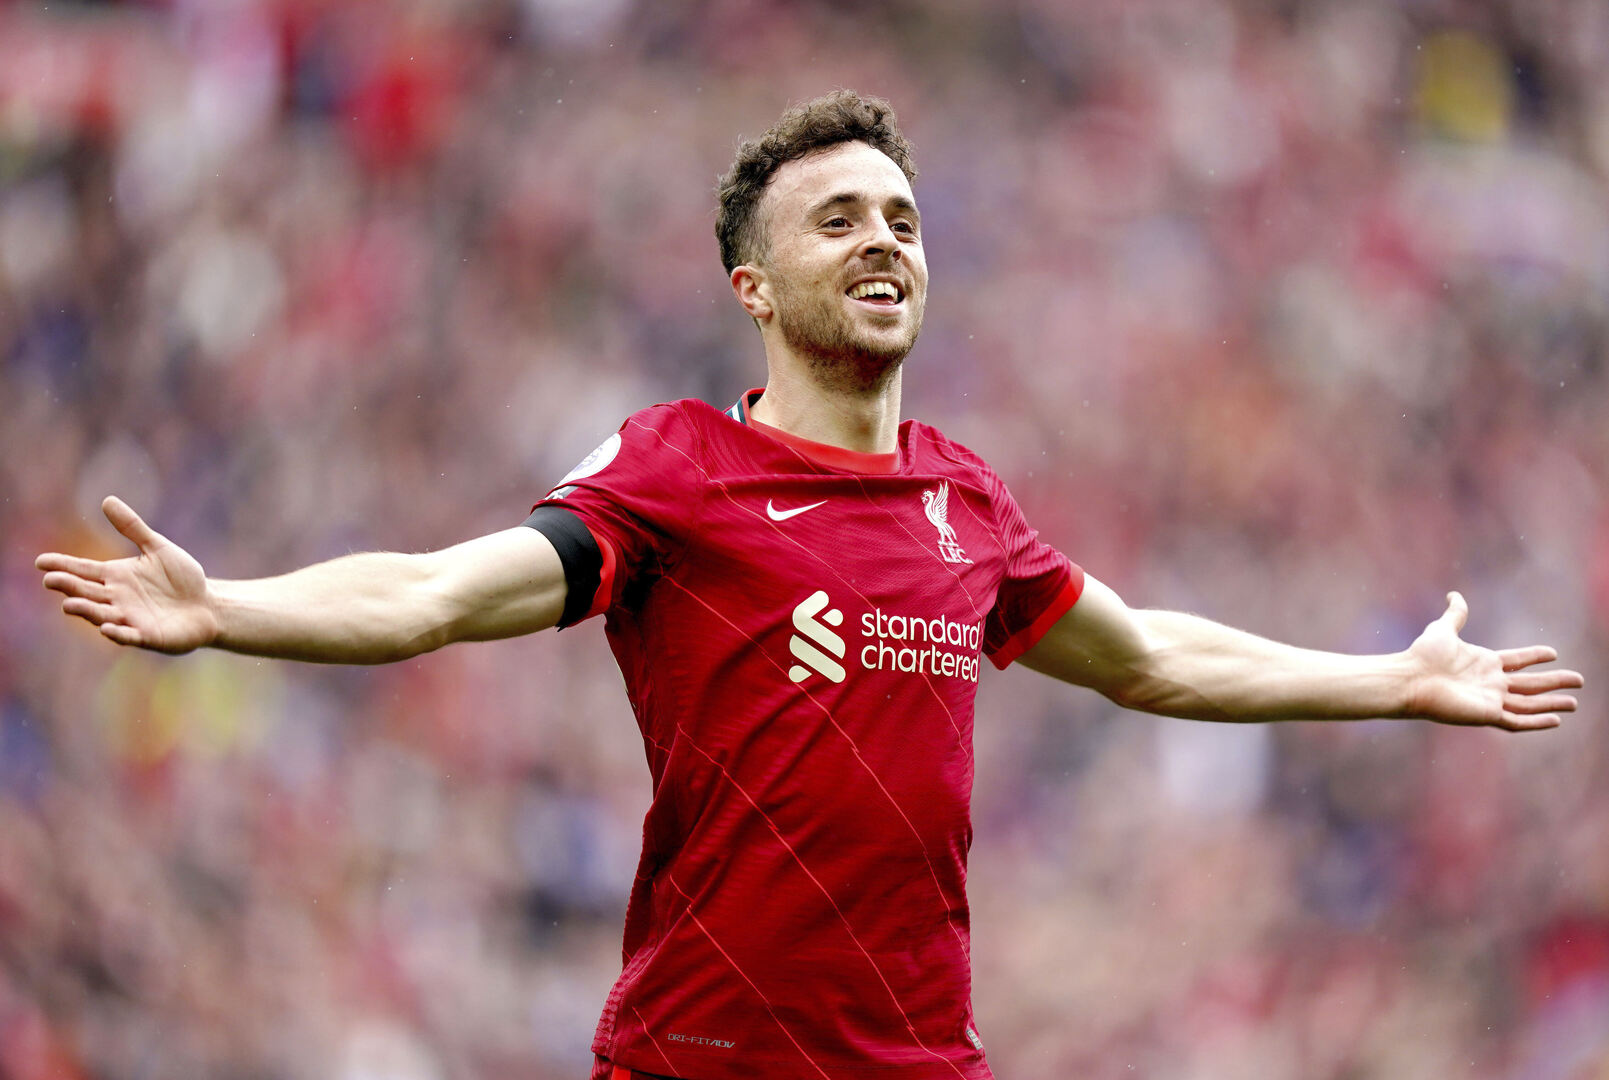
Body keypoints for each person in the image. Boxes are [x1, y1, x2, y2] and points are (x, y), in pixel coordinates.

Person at [36, 91, 1582, 1080]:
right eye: (836, 220)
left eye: (901, 219)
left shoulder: (963, 497)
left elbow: (1148, 660)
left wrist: (1389, 680)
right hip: (701, 1056)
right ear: (753, 287)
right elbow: (439, 592)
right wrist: (228, 609)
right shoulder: (677, 468)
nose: (880, 241)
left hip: (919, 1061)